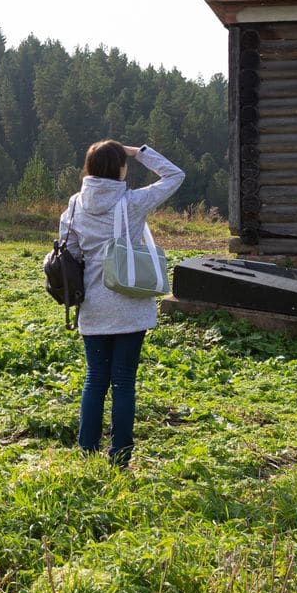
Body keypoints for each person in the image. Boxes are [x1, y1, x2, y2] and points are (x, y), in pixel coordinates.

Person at [59, 140, 186, 466]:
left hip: (93, 306)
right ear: (119, 168)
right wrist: (138, 151)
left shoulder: (74, 205)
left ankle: (86, 452)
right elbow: (174, 176)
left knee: (95, 379)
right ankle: (120, 457)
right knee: (124, 382)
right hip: (130, 303)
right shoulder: (131, 203)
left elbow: (69, 253)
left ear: (88, 169)